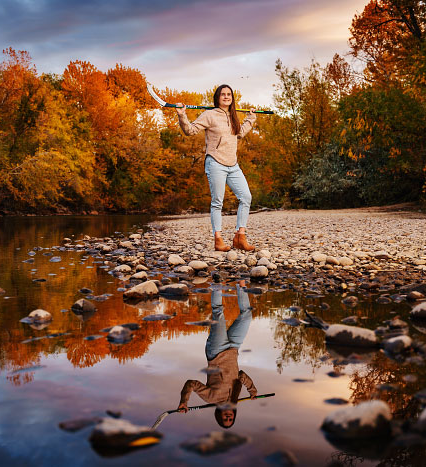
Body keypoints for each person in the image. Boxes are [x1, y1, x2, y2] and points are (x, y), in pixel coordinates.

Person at [176, 85, 257, 252]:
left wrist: (250, 119)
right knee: (217, 202)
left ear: (232, 98)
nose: (226, 97)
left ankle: (240, 237)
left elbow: (239, 134)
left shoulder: (233, 115)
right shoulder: (209, 115)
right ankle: (218, 240)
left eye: (229, 94)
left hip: (233, 164)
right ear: (217, 97)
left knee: (246, 197)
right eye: (223, 94)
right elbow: (190, 131)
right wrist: (182, 115)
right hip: (215, 163)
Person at [176, 281, 257, 428]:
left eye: (225, 419)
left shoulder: (211, 398)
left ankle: (218, 282)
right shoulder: (235, 396)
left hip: (217, 351)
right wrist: (252, 390)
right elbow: (242, 375)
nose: (228, 417)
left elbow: (191, 384)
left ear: (219, 416)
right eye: (230, 419)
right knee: (247, 316)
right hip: (233, 348)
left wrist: (184, 401)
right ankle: (241, 285)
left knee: (218, 312)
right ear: (233, 416)